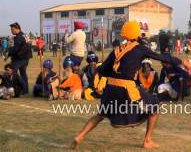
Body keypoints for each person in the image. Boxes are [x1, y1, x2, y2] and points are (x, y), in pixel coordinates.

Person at [71, 21, 182, 149]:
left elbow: (102, 70)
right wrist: (181, 61)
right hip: (127, 89)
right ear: (136, 34)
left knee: (101, 114)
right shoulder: (140, 48)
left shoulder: (117, 50)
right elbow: (162, 58)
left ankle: (80, 136)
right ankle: (147, 141)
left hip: (111, 88)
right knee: (155, 106)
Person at [6, 22, 32, 96]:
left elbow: (15, 49)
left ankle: (16, 89)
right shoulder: (25, 35)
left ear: (18, 29)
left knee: (13, 72)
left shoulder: (18, 37)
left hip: (19, 58)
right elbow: (28, 45)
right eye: (11, 29)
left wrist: (9, 54)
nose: (11, 31)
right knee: (23, 74)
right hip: (26, 58)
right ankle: (25, 90)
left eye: (13, 29)